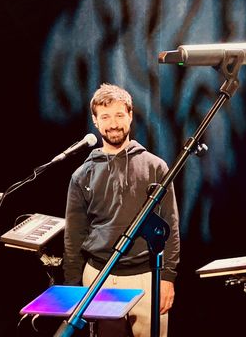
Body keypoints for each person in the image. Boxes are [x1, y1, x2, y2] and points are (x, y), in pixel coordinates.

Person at [63, 83, 180, 337]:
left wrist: (168, 277)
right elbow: (74, 237)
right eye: (105, 117)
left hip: (147, 278)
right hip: (99, 278)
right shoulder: (82, 175)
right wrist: (74, 288)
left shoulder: (156, 167)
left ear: (130, 115)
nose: (113, 123)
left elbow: (170, 225)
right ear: (95, 121)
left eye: (119, 115)